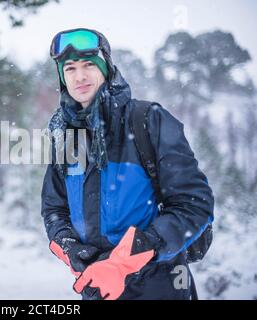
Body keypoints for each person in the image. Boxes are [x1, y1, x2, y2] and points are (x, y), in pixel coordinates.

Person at [41, 28, 214, 300]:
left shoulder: (148, 120)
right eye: (70, 68)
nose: (80, 76)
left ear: (106, 68)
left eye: (89, 65)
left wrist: (126, 259)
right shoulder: (66, 136)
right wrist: (71, 248)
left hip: (161, 286)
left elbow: (195, 205)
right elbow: (54, 208)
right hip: (97, 288)